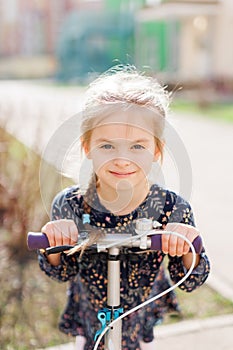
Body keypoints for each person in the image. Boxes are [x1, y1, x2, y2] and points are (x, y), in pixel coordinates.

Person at [38, 65, 210, 350]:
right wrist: (54, 242)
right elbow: (60, 272)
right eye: (107, 146)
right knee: (90, 343)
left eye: (137, 147)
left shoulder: (170, 208)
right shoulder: (70, 205)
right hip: (91, 312)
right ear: (87, 148)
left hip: (139, 314)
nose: (121, 159)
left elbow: (190, 280)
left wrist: (186, 245)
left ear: (156, 151)